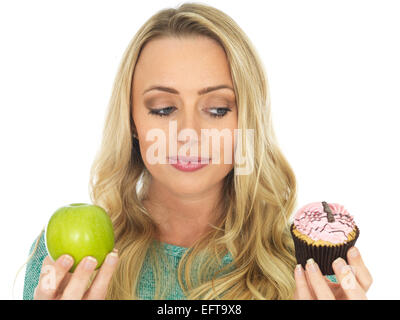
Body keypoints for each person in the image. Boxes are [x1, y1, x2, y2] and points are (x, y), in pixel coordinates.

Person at [23, 2, 372, 300]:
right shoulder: (64, 263)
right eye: (163, 109)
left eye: (218, 109)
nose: (188, 134)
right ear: (131, 121)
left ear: (246, 120)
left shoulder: (304, 273)